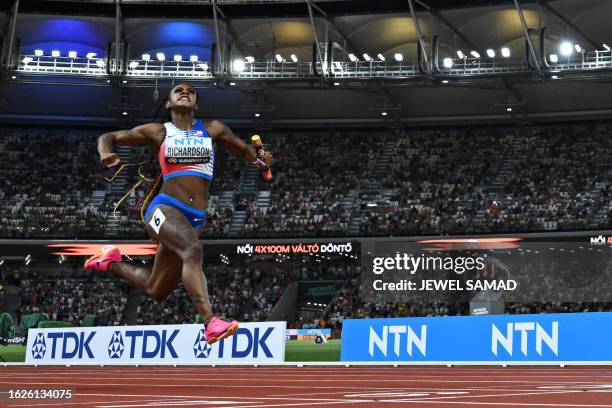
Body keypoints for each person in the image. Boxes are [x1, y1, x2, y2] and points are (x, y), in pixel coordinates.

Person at [84, 82, 272, 344]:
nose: (186, 92)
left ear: (196, 104)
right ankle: (210, 322)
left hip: (194, 217)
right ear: (169, 104)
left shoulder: (212, 129)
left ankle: (111, 261)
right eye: (178, 91)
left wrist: (262, 159)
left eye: (191, 92)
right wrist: (105, 152)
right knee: (193, 250)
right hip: (164, 208)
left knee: (156, 288)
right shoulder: (158, 131)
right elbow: (108, 137)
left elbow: (245, 152)